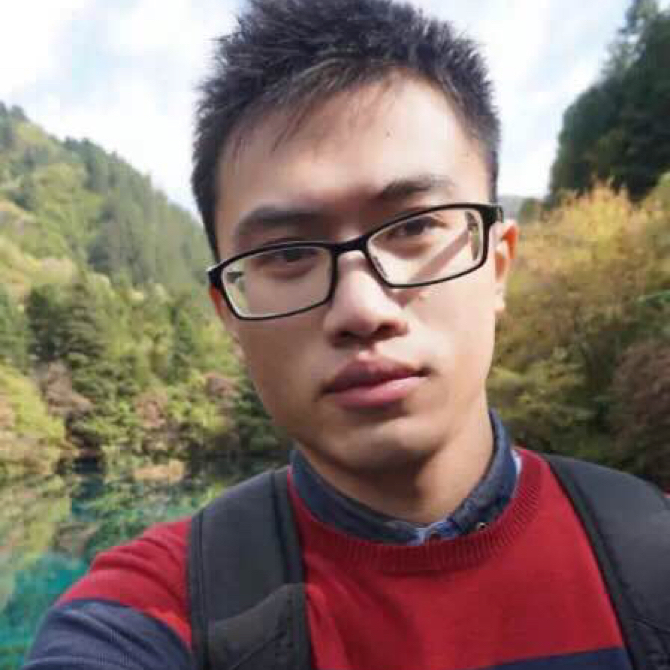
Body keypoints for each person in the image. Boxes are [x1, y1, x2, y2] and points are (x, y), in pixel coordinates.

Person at [23, 1, 665, 669]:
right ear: (230, 314)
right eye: (286, 253)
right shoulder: (154, 612)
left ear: (497, 265)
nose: (361, 308)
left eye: (414, 227)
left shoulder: (650, 559)